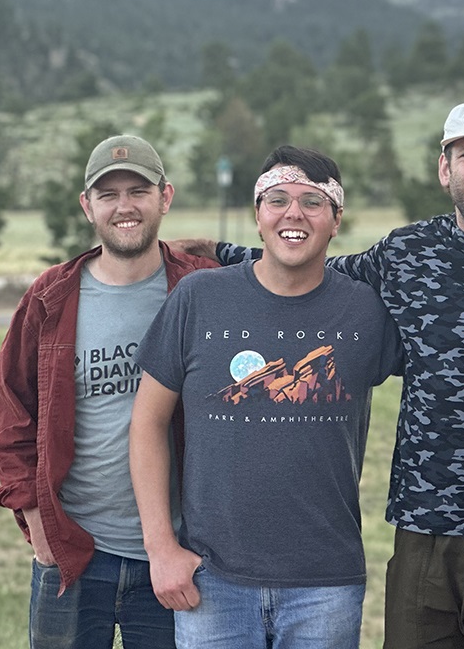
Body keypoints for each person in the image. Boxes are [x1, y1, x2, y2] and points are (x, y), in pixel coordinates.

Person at [191, 101, 464, 649]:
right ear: (445, 169)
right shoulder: (406, 253)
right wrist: (218, 252)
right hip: (424, 524)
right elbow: (312, 272)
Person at [129, 145, 401, 649]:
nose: (293, 213)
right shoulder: (199, 298)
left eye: (313, 202)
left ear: (336, 220)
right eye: (277, 199)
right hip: (213, 578)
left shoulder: (366, 311)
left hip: (327, 582)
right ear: (258, 216)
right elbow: (147, 423)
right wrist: (161, 547)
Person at [0, 134, 215, 649]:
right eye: (108, 194)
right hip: (74, 555)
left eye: (138, 190)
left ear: (166, 196)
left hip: (176, 558)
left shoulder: (203, 289)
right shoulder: (51, 298)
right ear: (87, 205)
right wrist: (41, 531)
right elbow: (10, 417)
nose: (125, 206)